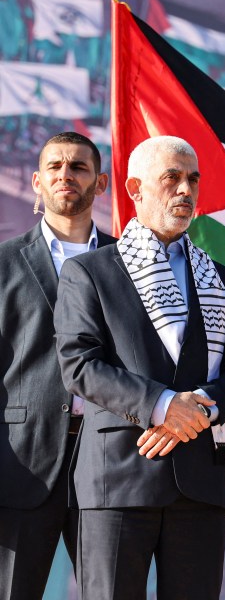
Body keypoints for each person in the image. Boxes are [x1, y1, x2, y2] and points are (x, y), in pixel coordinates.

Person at [53, 135, 225, 599]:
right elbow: (79, 365)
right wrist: (163, 405)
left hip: (201, 484)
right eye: (171, 178)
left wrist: (201, 409)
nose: (185, 190)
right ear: (135, 189)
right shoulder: (90, 272)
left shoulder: (220, 278)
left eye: (192, 180)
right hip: (118, 479)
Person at [0, 132, 111, 598]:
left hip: (108, 461)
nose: (66, 175)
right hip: (21, 459)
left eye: (79, 167)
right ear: (37, 182)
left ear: (100, 183)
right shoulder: (4, 263)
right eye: (56, 167)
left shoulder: (127, 263)